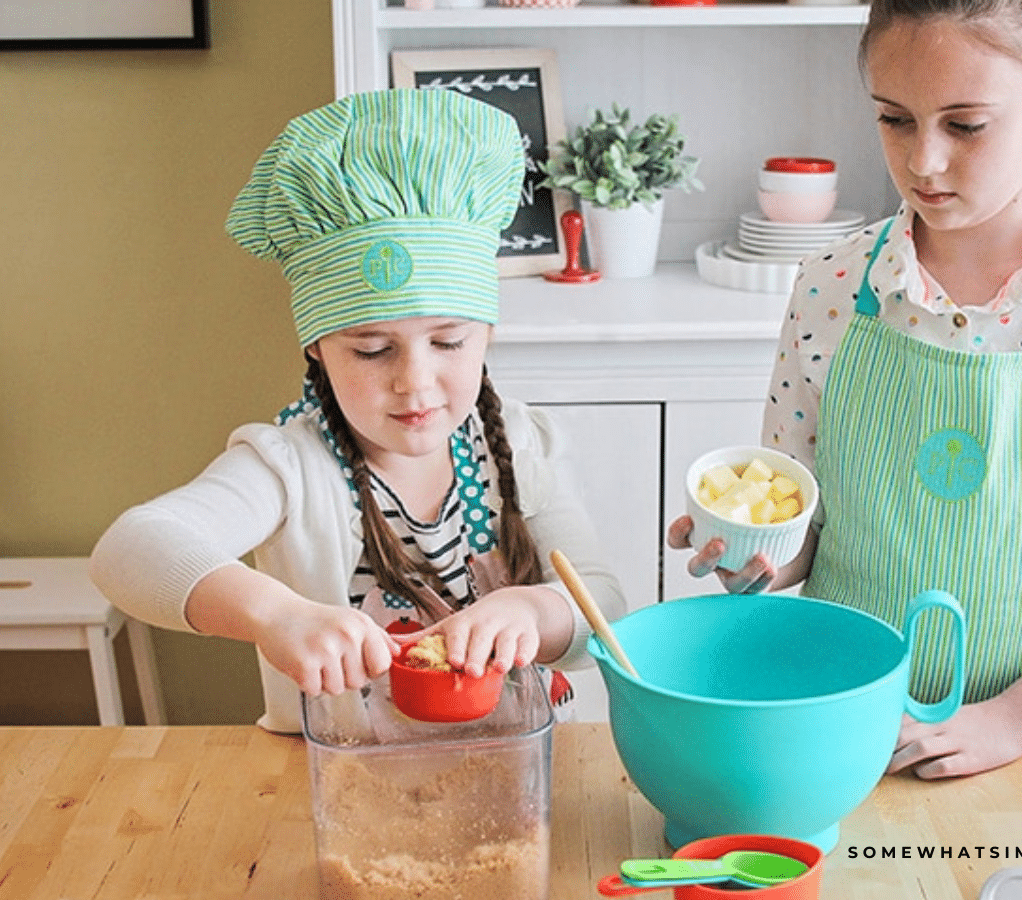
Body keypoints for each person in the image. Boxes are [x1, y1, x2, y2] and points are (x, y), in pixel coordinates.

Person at [670, 0, 1022, 779]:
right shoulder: (830, 287)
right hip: (847, 729)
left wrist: (1015, 720)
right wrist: (754, 557)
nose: (923, 162)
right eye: (894, 119)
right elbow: (803, 528)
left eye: (966, 125)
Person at [90, 89, 624, 733]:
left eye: (449, 342)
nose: (415, 382)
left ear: (487, 334)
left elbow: (605, 603)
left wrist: (534, 611)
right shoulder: (288, 466)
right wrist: (274, 613)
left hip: (518, 775)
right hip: (345, 788)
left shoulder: (522, 442)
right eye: (373, 350)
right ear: (317, 347)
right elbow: (127, 549)